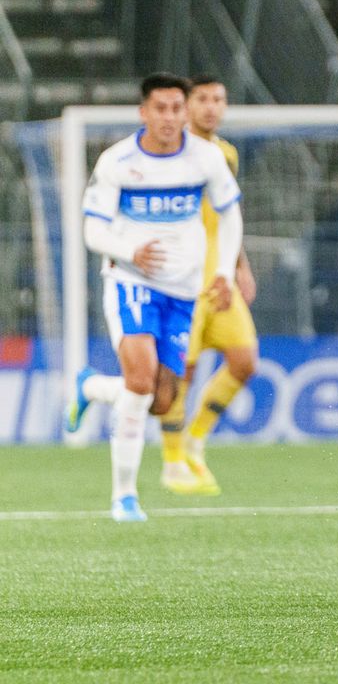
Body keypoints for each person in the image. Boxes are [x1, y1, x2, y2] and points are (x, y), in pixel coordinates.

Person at [64, 73, 243, 521]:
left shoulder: (206, 157)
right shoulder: (118, 161)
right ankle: (124, 496)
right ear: (143, 112)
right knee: (142, 381)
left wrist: (223, 272)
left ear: (184, 112)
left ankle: (91, 386)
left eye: (175, 108)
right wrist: (130, 252)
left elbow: (231, 214)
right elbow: (92, 229)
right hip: (130, 282)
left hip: (183, 291)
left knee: (160, 401)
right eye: (159, 109)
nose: (168, 117)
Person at [157, 74, 258, 495]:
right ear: (187, 105)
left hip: (219, 276)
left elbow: (228, 215)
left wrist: (240, 265)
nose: (212, 107)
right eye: (203, 99)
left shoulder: (226, 154)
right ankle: (172, 461)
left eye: (219, 99)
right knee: (183, 369)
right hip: (181, 278)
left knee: (244, 361)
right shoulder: (170, 153)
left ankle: (196, 440)